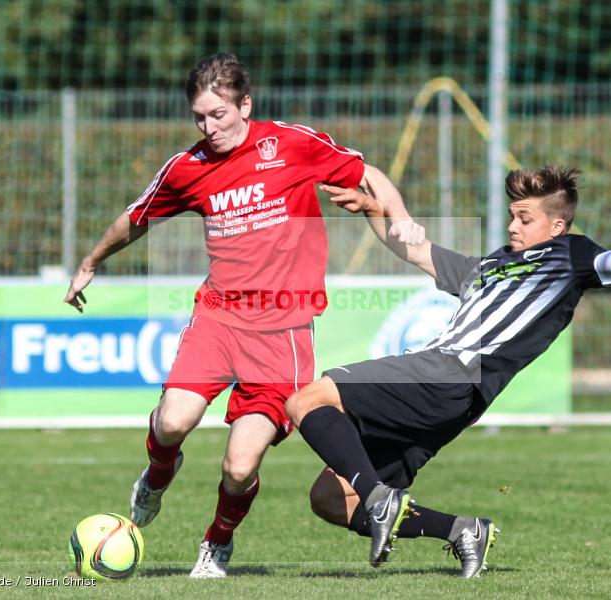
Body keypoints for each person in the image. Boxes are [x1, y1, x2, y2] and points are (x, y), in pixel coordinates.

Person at [285, 166, 611, 577]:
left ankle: (379, 497)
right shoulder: (488, 265)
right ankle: (462, 531)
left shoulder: (570, 255)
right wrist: (372, 208)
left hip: (448, 371)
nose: (512, 226)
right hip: (453, 402)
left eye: (525, 218)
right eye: (512, 216)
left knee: (308, 399)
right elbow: (415, 250)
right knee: (329, 498)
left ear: (558, 225)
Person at [63, 53, 421, 579]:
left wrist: (405, 218)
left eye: (218, 115)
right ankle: (157, 475)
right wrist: (91, 262)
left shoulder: (291, 144)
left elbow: (367, 174)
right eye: (200, 118)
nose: (209, 128)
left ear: (244, 105)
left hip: (283, 334)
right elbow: (135, 218)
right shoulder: (188, 168)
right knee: (172, 421)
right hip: (218, 320)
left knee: (239, 467)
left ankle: (217, 543)